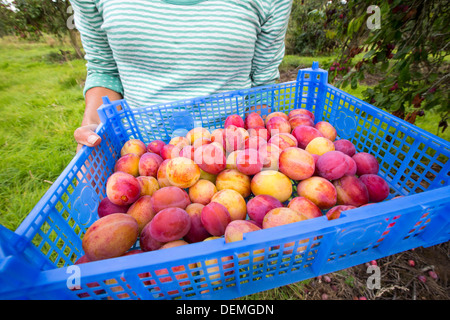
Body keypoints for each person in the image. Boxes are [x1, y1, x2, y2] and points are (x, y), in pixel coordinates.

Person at [72, 0, 293, 152]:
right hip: (141, 156)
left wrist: (259, 152)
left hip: (231, 159)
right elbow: (105, 70)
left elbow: (262, 85)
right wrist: (94, 126)